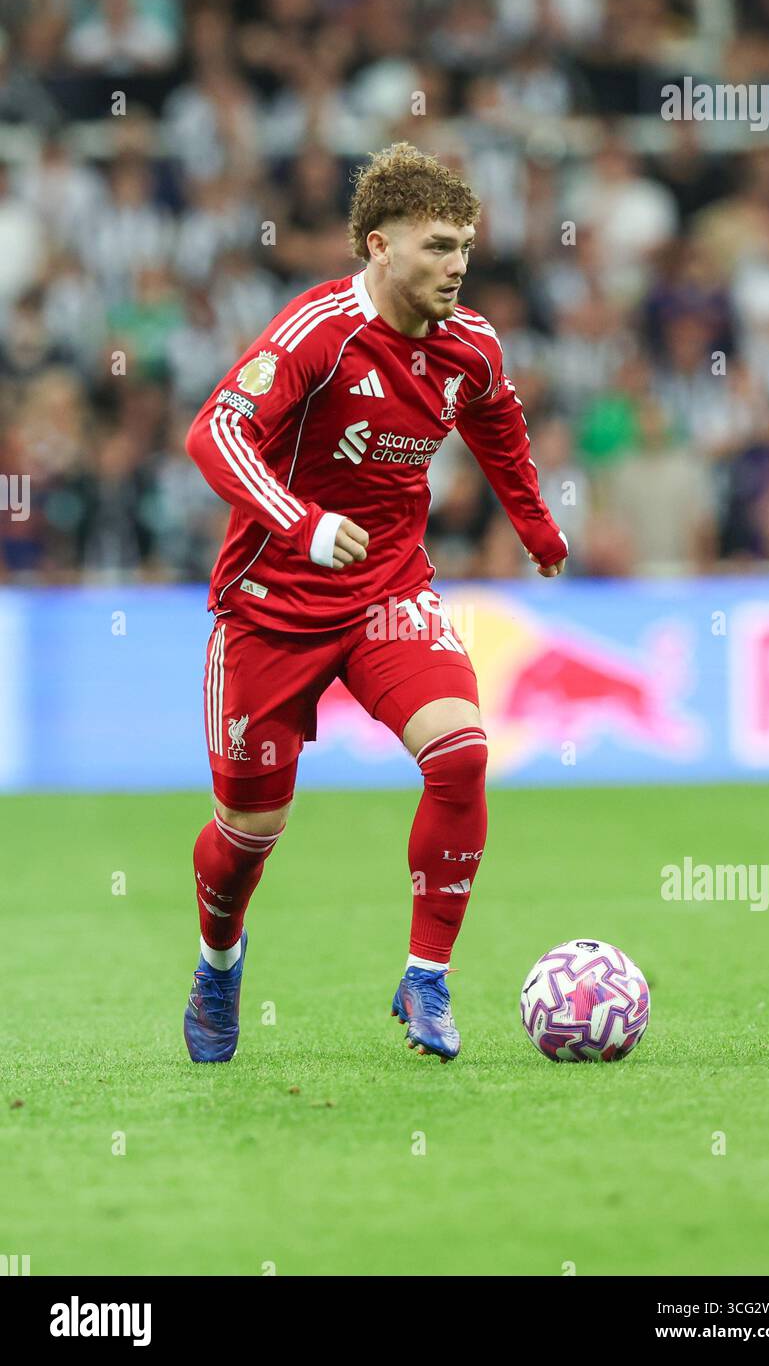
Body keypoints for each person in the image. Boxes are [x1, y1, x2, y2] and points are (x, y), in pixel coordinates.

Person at [182, 143, 568, 1064]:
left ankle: (427, 978)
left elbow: (500, 428)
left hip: (388, 592)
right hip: (272, 603)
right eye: (439, 246)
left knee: (463, 753)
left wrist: (537, 528)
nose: (459, 264)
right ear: (379, 245)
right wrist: (301, 521)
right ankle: (219, 960)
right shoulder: (318, 332)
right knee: (248, 835)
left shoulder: (469, 346)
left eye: (466, 246)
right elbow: (215, 431)